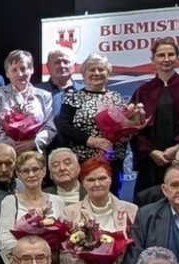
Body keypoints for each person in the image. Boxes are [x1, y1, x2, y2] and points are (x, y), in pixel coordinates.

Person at [129, 36, 179, 192]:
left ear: (177, 59)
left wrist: (177, 149)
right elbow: (135, 130)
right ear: (153, 60)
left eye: (171, 54)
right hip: (151, 162)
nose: (166, 59)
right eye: (161, 55)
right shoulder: (143, 91)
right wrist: (152, 152)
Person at [56, 53, 130, 190]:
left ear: (108, 73)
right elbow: (63, 126)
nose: (97, 73)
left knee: (112, 198)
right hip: (84, 161)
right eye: (92, 69)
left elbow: (126, 126)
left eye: (101, 69)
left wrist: (127, 133)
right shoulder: (73, 98)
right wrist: (91, 140)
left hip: (113, 161)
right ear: (83, 73)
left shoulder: (117, 98)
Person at [0, 150, 66, 264]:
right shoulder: (10, 201)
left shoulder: (58, 201)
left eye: (35, 169)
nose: (31, 174)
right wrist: (33, 251)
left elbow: (65, 236)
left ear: (43, 171)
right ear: (18, 174)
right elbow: (4, 240)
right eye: (25, 171)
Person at [0, 50, 56, 154]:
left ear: (31, 69)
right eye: (14, 70)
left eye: (23, 68)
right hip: (6, 155)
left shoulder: (44, 96)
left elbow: (50, 128)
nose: (19, 74)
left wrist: (33, 143)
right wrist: (15, 146)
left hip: (35, 154)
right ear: (7, 73)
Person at [38, 47, 81, 112]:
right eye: (57, 62)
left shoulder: (85, 91)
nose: (62, 66)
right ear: (48, 66)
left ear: (74, 66)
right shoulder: (37, 92)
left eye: (66, 62)